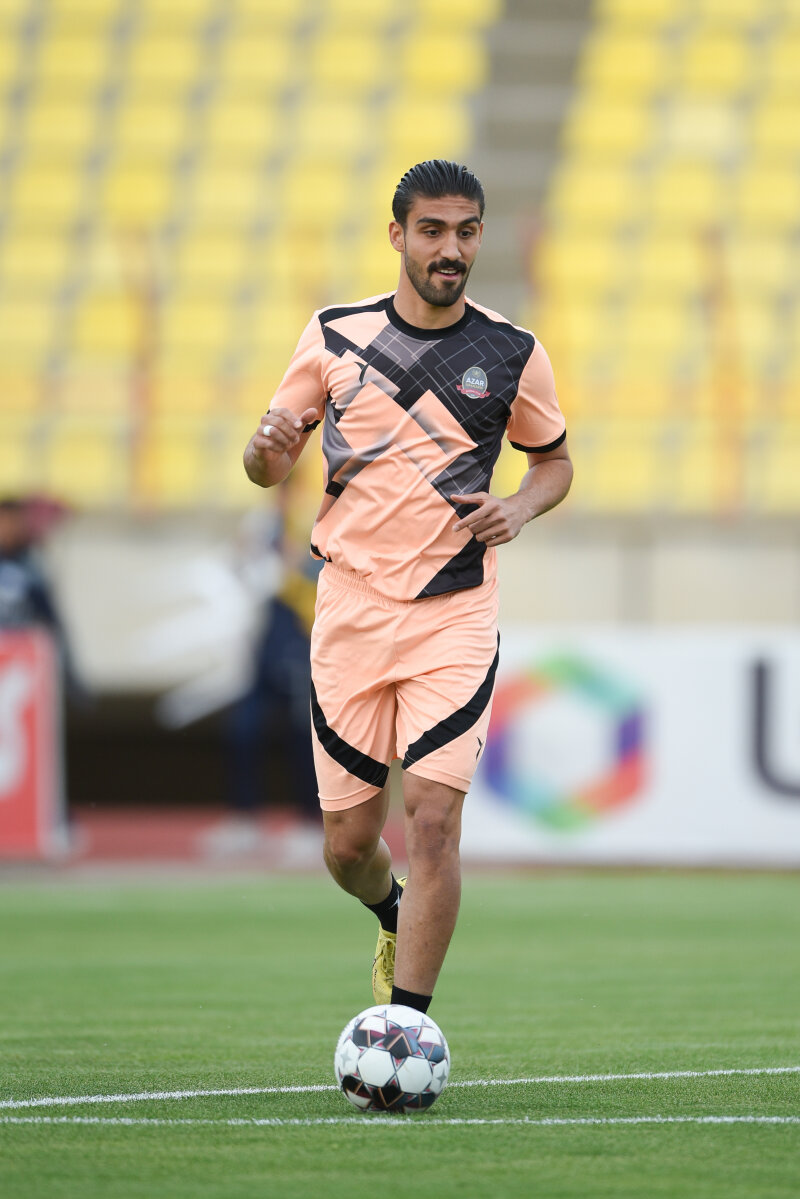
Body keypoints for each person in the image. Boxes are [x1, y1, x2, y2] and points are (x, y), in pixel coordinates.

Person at [243, 160, 572, 1014]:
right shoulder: (334, 334)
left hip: (454, 610)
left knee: (431, 818)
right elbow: (268, 463)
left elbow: (554, 462)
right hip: (349, 606)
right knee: (349, 845)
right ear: (398, 235)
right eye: (432, 230)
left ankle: (406, 1027)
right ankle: (390, 911)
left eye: (466, 231)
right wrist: (264, 450)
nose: (450, 248)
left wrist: (518, 507)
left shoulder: (513, 350)